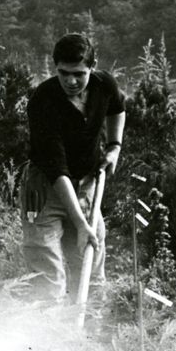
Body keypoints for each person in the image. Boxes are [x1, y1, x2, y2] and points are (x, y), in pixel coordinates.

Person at [21, 32, 125, 299]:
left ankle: (89, 337)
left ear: (92, 66)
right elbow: (57, 169)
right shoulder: (43, 101)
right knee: (48, 276)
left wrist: (114, 146)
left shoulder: (104, 85)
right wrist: (80, 223)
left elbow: (117, 107)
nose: (71, 80)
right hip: (46, 189)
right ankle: (51, 339)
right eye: (64, 73)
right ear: (56, 68)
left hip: (87, 184)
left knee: (90, 267)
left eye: (79, 73)